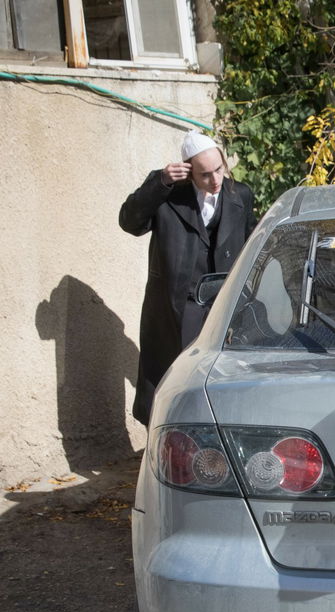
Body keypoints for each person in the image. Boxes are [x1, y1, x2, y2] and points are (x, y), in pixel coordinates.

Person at [119, 130, 256, 425]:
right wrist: (161, 182)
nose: (215, 180)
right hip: (175, 303)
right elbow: (130, 222)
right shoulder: (167, 195)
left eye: (219, 170)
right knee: (169, 377)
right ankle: (162, 446)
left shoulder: (240, 194)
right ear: (189, 172)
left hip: (221, 304)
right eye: (205, 175)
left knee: (218, 378)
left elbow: (250, 247)